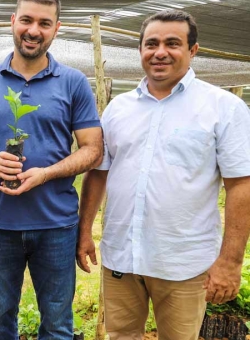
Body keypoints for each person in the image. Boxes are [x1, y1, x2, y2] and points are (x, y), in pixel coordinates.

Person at [77, 9, 250, 340]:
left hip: (184, 262)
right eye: (151, 43)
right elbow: (98, 174)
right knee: (121, 336)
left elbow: (241, 185)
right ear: (140, 50)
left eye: (172, 43)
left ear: (192, 50)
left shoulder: (222, 107)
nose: (160, 52)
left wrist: (229, 263)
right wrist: (84, 231)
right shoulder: (119, 109)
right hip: (123, 258)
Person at [0, 0, 103, 338]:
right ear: (12, 21)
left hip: (56, 226)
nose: (33, 30)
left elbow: (93, 149)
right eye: (26, 20)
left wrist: (47, 173)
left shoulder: (74, 82)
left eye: (44, 23)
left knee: (57, 322)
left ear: (56, 29)